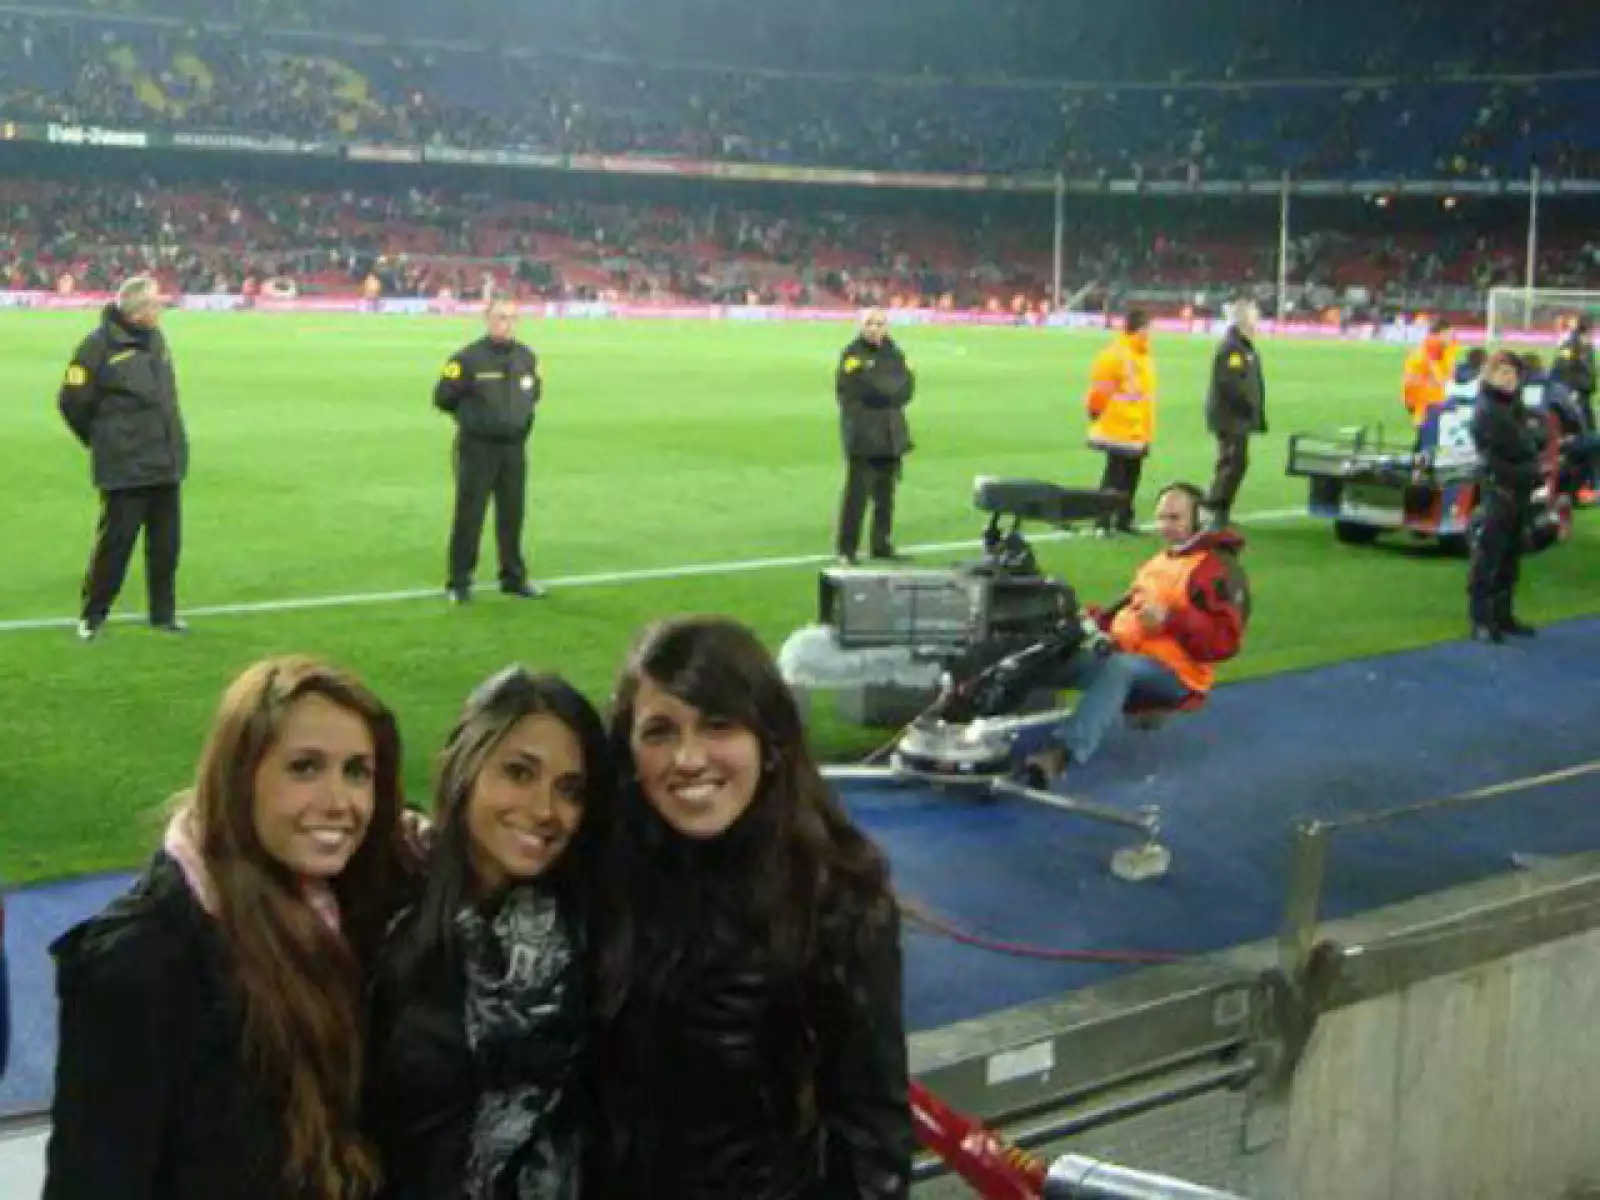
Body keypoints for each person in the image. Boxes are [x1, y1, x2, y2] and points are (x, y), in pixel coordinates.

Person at [44, 656, 408, 1200]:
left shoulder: (347, 903)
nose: (340, 803)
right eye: (304, 767)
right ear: (240, 776)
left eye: (358, 771)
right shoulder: (142, 959)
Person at [592, 616, 914, 1198]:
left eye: (718, 725)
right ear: (628, 752)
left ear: (769, 743)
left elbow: (872, 1140)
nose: (688, 759)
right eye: (660, 732)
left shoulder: (836, 896)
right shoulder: (602, 867)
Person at [367, 666, 614, 1199]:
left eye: (569, 790)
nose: (545, 811)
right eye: (519, 773)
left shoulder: (596, 922)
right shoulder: (381, 907)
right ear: (465, 766)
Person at [1019, 484, 1248, 781]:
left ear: (1200, 519)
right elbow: (1130, 605)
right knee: (1047, 655)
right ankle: (992, 722)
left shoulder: (1216, 569)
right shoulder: (1160, 562)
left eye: (1174, 518)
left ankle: (1062, 753)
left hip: (1178, 674)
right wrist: (1095, 621)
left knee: (1120, 668)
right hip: (1126, 653)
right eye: (1161, 518)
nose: (1165, 526)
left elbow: (1225, 643)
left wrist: (1172, 620)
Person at [57, 275, 190, 641]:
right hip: (126, 466)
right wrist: (103, 441)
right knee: (115, 545)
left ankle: (163, 614)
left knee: (166, 546)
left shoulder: (156, 341)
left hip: (165, 461)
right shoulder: (96, 348)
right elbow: (71, 402)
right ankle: (92, 616)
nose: (160, 308)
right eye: (154, 303)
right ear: (137, 312)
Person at [436, 299, 545, 604]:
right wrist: (474, 420)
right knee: (469, 516)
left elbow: (534, 394)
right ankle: (459, 582)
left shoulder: (527, 357)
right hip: (477, 449)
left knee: (512, 514)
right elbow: (443, 397)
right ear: (487, 319)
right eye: (500, 317)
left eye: (512, 318)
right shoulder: (467, 359)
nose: (506, 323)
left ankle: (513, 577)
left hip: (513, 449)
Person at [1468, 351, 1544, 643]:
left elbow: (1534, 438)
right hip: (1499, 489)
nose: (1510, 380)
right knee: (1488, 557)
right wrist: (1530, 454)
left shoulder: (1513, 406)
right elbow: (1520, 445)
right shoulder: (1489, 410)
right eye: (1503, 374)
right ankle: (1481, 619)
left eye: (1512, 374)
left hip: (1517, 489)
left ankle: (1502, 614)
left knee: (1510, 556)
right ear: (1490, 375)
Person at [835, 308, 915, 565]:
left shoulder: (894, 352)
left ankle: (881, 544)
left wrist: (886, 386)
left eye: (880, 323)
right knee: (856, 496)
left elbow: (906, 389)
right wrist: (889, 386)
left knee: (886, 495)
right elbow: (866, 388)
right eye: (869, 323)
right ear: (861, 326)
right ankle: (847, 549)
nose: (875, 328)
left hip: (891, 435)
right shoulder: (852, 356)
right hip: (864, 436)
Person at [1085, 310, 1157, 535]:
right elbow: (1100, 391)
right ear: (1140, 328)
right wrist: (1095, 413)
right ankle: (1102, 521)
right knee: (1115, 475)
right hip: (1118, 427)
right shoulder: (1116, 355)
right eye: (1149, 328)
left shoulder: (1142, 355)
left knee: (1131, 474)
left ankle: (1123, 519)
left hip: (1137, 428)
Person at [1204, 298, 1267, 528]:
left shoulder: (1243, 347)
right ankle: (1214, 510)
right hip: (1231, 417)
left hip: (1238, 417)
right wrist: (1249, 405)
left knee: (1235, 462)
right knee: (1232, 462)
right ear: (1244, 321)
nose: (1258, 322)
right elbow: (1231, 384)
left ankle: (1221, 509)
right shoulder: (1233, 348)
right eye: (1255, 318)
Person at [1401, 318, 1457, 428]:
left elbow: (1449, 375)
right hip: (1423, 401)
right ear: (1442, 333)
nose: (1452, 338)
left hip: (1431, 397)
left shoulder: (1444, 349)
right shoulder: (1427, 350)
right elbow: (1411, 381)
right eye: (1450, 334)